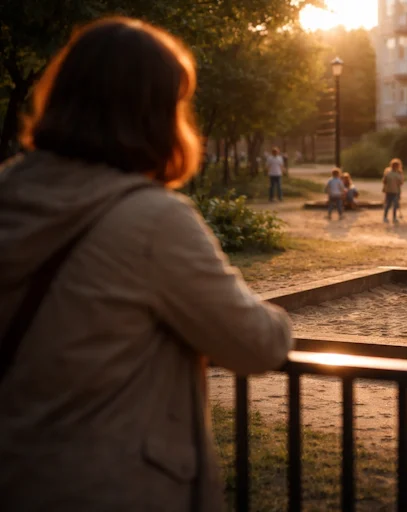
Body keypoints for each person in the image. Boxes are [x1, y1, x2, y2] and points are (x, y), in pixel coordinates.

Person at [0, 17, 294, 511]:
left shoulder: (9, 190)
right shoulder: (150, 218)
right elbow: (257, 344)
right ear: (153, 114)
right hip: (112, 488)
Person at [382, 158, 404, 223]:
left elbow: (401, 183)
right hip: (389, 191)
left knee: (395, 205)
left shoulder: (398, 174)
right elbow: (384, 181)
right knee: (388, 205)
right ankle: (385, 217)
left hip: (395, 192)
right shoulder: (388, 173)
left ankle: (394, 218)